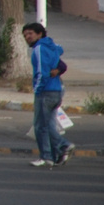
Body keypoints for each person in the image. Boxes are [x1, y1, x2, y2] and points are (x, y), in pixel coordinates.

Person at [22, 22, 70, 167]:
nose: (27, 37)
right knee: (49, 124)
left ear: (39, 33)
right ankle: (55, 155)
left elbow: (42, 73)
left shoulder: (39, 49)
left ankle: (54, 151)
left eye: (30, 33)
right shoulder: (52, 46)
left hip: (45, 91)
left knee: (40, 126)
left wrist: (37, 89)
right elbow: (60, 52)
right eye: (25, 35)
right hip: (56, 90)